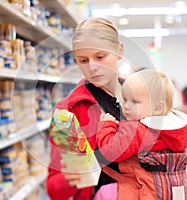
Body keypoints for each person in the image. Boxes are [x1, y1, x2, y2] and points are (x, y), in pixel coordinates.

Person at [46, 17, 125, 200]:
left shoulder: (141, 97)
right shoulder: (65, 112)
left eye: (100, 57)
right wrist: (69, 178)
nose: (92, 67)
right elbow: (54, 190)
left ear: (119, 51)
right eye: (83, 60)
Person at [96, 69, 187, 199]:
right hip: (178, 189)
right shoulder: (178, 129)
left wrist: (106, 125)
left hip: (146, 191)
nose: (126, 106)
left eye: (134, 102)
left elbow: (110, 152)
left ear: (158, 108)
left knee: (104, 193)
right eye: (125, 100)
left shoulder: (139, 130)